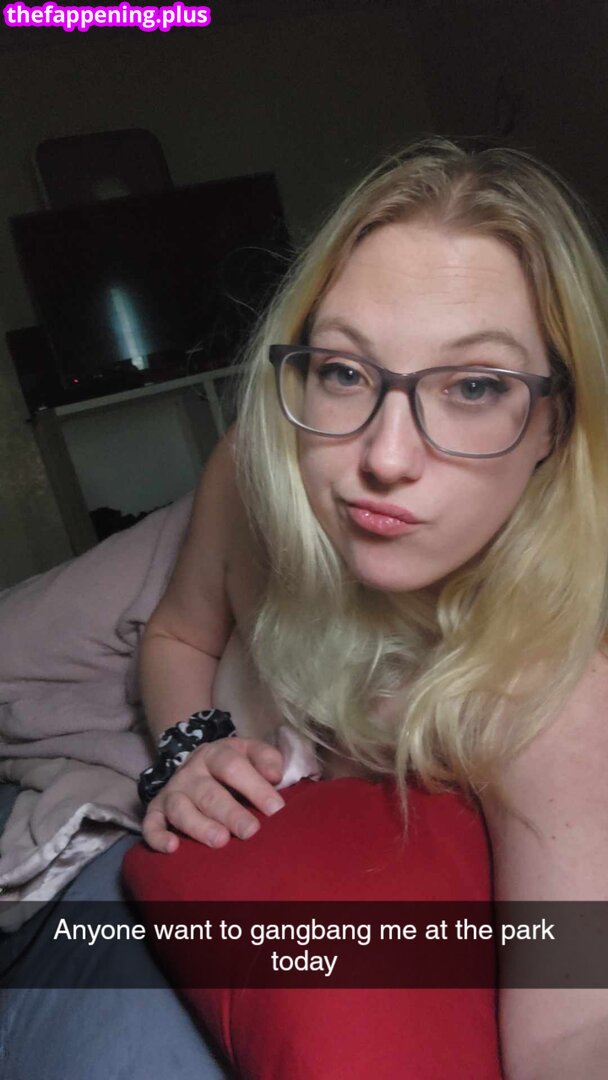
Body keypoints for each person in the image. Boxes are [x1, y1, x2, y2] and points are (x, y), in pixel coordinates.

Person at [138, 136, 608, 1079]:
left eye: (475, 386)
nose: (385, 459)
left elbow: (572, 1031)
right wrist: (188, 750)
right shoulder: (250, 463)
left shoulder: (549, 698)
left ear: (553, 425)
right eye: (344, 371)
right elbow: (177, 632)